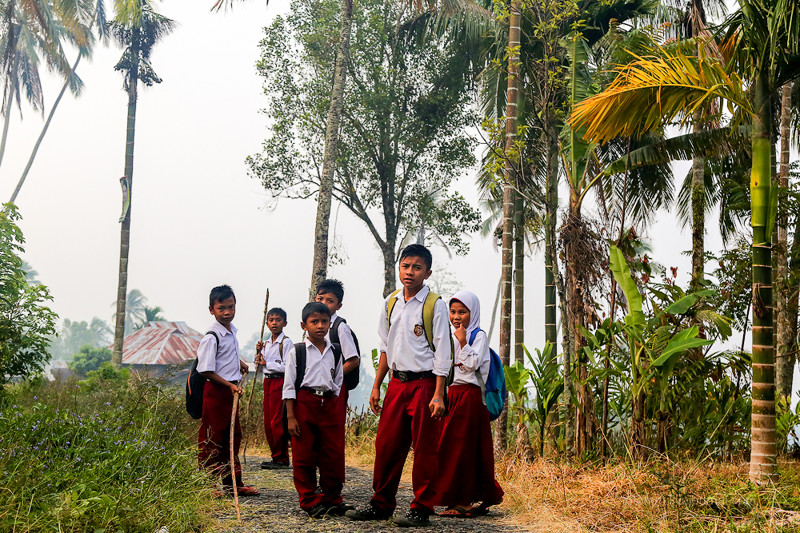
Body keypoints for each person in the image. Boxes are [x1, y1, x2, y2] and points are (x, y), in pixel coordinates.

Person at [347, 244, 452, 527]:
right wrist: (377, 385)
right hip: (396, 383)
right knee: (387, 445)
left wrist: (439, 394)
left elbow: (443, 351)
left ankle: (421, 508)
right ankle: (381, 504)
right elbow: (385, 346)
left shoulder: (435, 305)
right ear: (399, 268)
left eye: (417, 267)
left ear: (427, 272)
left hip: (425, 384)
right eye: (406, 266)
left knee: (425, 448)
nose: (410, 272)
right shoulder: (391, 302)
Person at [436, 290, 503, 517]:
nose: (456, 317)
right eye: (453, 312)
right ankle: (456, 498)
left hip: (470, 397)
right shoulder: (448, 335)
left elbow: (472, 363)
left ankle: (463, 502)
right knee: (450, 447)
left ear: (472, 313)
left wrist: (463, 341)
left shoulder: (478, 335)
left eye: (462, 312)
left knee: (462, 449)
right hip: (452, 394)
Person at [283, 301, 348, 518]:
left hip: (328, 405)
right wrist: (291, 417)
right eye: (314, 322)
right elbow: (289, 386)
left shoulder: (335, 351)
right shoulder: (297, 352)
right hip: (304, 403)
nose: (320, 326)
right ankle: (309, 499)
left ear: (330, 323)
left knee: (332, 453)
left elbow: (337, 380)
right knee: (304, 454)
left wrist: (333, 405)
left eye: (324, 321)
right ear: (304, 325)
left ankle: (332, 498)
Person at [197, 284, 260, 496]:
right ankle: (209, 484)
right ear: (211, 309)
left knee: (233, 436)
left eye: (231, 307)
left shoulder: (230, 332)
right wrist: (230, 385)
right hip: (216, 392)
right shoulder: (211, 336)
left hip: (230, 393)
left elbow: (224, 357)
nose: (227, 312)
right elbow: (205, 369)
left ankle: (233, 482)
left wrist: (240, 363)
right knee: (213, 437)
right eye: (222, 308)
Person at [254, 307, 292, 469]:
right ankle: (275, 456)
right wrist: (258, 353)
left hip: (280, 382)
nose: (274, 323)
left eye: (278, 320)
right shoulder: (266, 343)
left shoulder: (286, 342)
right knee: (268, 421)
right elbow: (258, 363)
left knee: (277, 421)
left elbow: (288, 366)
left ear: (284, 323)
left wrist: (267, 364)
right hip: (268, 382)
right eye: (271, 320)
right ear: (267, 323)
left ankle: (282, 458)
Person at [315, 279, 360, 411]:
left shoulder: (340, 327)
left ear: (338, 305)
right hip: (316, 385)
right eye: (320, 299)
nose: (323, 304)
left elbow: (353, 360)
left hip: (336, 387)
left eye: (330, 301)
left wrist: (332, 377)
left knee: (333, 424)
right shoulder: (313, 326)